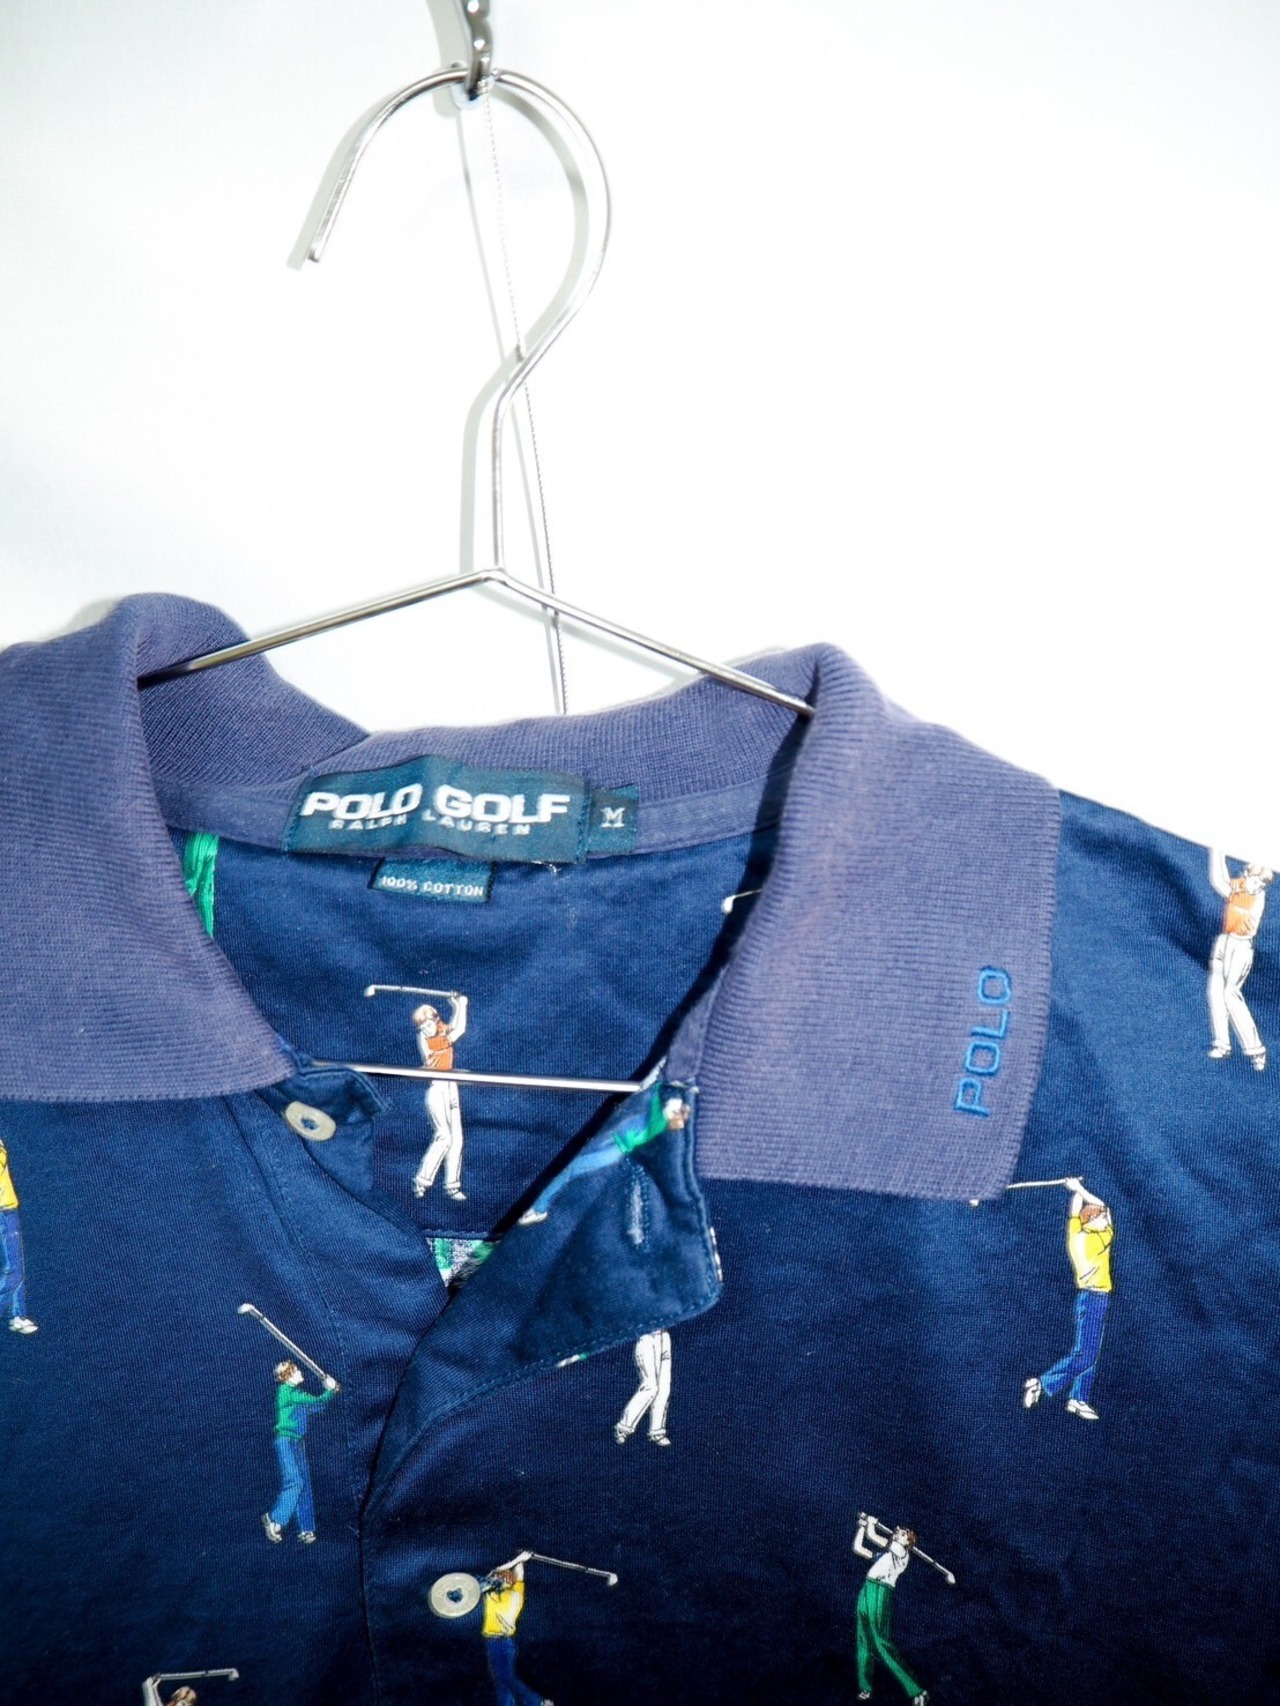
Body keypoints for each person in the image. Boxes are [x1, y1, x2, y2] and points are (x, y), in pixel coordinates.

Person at [518, 1092, 689, 1226]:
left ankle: (539, 1209)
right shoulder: (658, 1115)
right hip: (611, 1137)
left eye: (677, 1112)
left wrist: (662, 1088)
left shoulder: (659, 1121)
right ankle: (539, 1206)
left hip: (614, 1149)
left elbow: (656, 1104)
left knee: (570, 1169)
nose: (674, 1110)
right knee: (570, 1163)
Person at [1023, 1177, 1113, 1422]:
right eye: (1100, 1217)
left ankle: (1078, 1398)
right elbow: (1103, 1206)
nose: (1105, 1217)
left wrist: (1074, 1190)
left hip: (1089, 1298)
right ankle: (1042, 1384)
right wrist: (1079, 1188)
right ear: (1092, 1221)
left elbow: (1076, 1212)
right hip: (1095, 1299)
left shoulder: (1076, 1235)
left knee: (1090, 1351)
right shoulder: (1101, 1237)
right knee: (1086, 1355)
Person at [852, 1516, 930, 1704]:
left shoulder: (902, 1554)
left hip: (881, 1593)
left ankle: (917, 1691)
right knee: (863, 1641)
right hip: (867, 1589)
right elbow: (859, 1548)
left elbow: (873, 1536)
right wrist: (861, 1527)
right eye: (897, 1532)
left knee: (880, 1642)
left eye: (902, 1534)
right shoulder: (886, 1556)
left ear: (908, 1542)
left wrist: (870, 1524)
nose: (897, 1533)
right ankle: (865, 1687)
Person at [1207, 851, 1273, 1070]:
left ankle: (1256, 1050)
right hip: (1224, 941)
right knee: (1216, 991)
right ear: (1247, 875)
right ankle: (1222, 1044)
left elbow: (1222, 884)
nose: (1258, 885)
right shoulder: (1241, 887)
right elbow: (1221, 881)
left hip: (1241, 946)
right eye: (1256, 880)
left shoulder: (1254, 897)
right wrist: (1217, 852)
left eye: (1262, 883)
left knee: (1230, 993)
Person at [261, 1361, 339, 1544]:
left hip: (298, 1443)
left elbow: (317, 1407)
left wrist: (332, 1391)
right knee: (295, 1481)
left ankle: (306, 1529)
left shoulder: (296, 1395)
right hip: (286, 1442)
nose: (300, 1372)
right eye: (296, 1370)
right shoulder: (287, 1392)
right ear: (288, 1376)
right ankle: (275, 1520)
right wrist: (330, 1390)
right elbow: (317, 1401)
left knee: (304, 1485)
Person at [412, 995, 470, 1202]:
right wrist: (461, 1006)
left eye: (429, 1024)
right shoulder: (429, 1039)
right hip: (437, 1087)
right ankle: (422, 1180)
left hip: (451, 1084)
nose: (427, 1029)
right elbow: (457, 1032)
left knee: (457, 1138)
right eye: (423, 1027)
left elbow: (456, 1027)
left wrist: (459, 1006)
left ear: (436, 1021)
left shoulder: (440, 1029)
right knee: (444, 1136)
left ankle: (452, 1185)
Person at [479, 1553, 552, 1706]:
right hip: (498, 1643)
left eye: (501, 1577)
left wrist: (520, 1560)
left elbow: (504, 1572)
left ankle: (537, 1702)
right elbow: (497, 1572)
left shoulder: (506, 1593)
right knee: (502, 1682)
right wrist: (520, 1559)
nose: (496, 1578)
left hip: (500, 1643)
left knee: (505, 1679)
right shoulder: (494, 1590)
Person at [0, 1137, 36, 1335]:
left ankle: (17, 1315)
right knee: (13, 1270)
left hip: (8, 1210)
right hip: (3, 1211)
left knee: (17, 1267)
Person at [614, 1330, 672, 1447]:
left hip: (663, 1335)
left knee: (663, 1388)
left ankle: (657, 1431)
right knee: (650, 1386)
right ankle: (623, 1428)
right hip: (647, 1336)